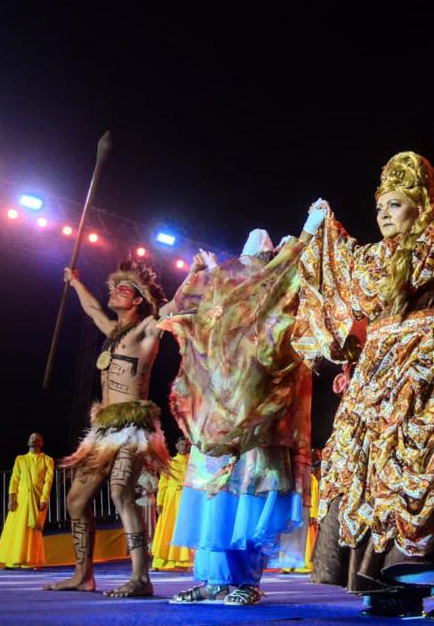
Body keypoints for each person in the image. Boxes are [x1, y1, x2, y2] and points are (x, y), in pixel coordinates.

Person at [293, 85, 434, 621]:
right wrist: (319, 227)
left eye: (395, 204)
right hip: (378, 374)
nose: (385, 213)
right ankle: (393, 584)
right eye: (379, 206)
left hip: (430, 367)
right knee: (377, 473)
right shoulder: (368, 260)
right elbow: (330, 265)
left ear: (420, 205)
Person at [159, 230, 313, 606]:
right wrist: (195, 277)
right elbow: (171, 316)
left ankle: (246, 580)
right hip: (217, 426)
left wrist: (308, 235)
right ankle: (212, 579)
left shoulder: (277, 317)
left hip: (257, 427)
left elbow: (287, 358)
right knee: (215, 503)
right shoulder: (219, 315)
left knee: (247, 501)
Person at [44, 254, 169, 597]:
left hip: (132, 423)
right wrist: (75, 282)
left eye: (121, 289)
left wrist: (193, 279)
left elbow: (165, 316)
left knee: (121, 493)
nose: (113, 292)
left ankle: (141, 578)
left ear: (138, 299)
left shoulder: (146, 330)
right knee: (76, 500)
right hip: (103, 430)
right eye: (112, 288)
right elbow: (92, 310)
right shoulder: (114, 333)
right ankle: (83, 576)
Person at [0, 432, 54, 569]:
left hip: (37, 498)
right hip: (21, 499)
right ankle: (11, 561)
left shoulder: (47, 460)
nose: (34, 440)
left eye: (37, 439)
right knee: (16, 529)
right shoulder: (20, 459)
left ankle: (33, 561)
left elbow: (48, 481)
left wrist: (44, 498)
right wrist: (11, 498)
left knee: (34, 529)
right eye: (31, 438)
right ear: (28, 441)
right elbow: (14, 479)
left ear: (42, 443)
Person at [150, 437, 193, 571]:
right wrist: (160, 501)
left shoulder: (194, 462)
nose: (184, 446)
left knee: (186, 527)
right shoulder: (169, 462)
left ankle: (186, 562)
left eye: (186, 444)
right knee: (167, 528)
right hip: (171, 499)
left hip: (187, 498)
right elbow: (163, 483)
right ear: (176, 445)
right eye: (181, 444)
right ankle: (160, 562)